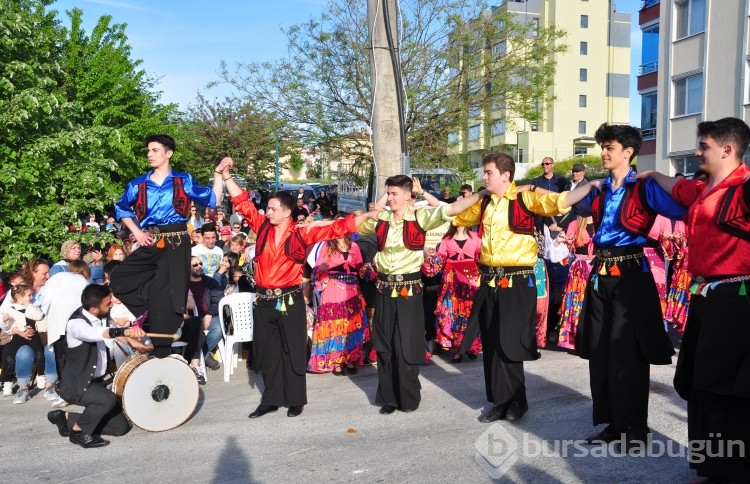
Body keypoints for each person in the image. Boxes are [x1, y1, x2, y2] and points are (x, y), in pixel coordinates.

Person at [637, 117, 750, 481]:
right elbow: (678, 188)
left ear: (727, 149)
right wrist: (653, 176)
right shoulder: (702, 189)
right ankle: (709, 461)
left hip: (737, 298)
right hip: (706, 297)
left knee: (725, 384)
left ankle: (732, 466)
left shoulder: (745, 189)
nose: (697, 151)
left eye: (704, 146)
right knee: (698, 380)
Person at [219, 159, 377, 418]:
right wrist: (226, 176)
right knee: (267, 353)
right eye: (267, 208)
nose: (267, 212)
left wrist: (366, 217)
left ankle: (295, 399)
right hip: (264, 300)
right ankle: (270, 399)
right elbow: (244, 204)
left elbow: (336, 227)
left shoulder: (301, 233)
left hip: (290, 299)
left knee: (293, 350)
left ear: (286, 212)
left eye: (271, 209)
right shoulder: (262, 229)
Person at [567, 123, 686, 447]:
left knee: (628, 352)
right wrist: (590, 183)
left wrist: (658, 176)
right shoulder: (600, 188)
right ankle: (613, 423)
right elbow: (563, 202)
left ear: (629, 152)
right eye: (602, 146)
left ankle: (636, 427)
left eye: (610, 147)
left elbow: (682, 203)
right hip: (600, 273)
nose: (604, 153)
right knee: (601, 350)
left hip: (631, 272)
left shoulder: (643, 187)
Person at [453, 152, 586, 424]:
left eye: (489, 172)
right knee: (491, 343)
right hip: (490, 280)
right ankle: (500, 401)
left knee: (510, 344)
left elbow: (559, 202)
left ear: (506, 175)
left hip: (517, 280)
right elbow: (457, 216)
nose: (484, 177)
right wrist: (479, 195)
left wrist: (592, 186)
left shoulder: (526, 198)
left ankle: (516, 399)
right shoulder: (485, 203)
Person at [357, 175, 484, 415]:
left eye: (395, 193)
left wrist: (483, 192)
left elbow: (452, 208)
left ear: (408, 196)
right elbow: (356, 222)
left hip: (408, 288)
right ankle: (388, 397)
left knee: (405, 342)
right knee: (384, 343)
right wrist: (378, 204)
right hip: (384, 287)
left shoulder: (420, 217)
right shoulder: (382, 219)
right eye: (389, 193)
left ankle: (407, 396)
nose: (390, 198)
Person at [110, 134, 229, 357]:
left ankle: (162, 351)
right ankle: (149, 309)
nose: (149, 154)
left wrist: (218, 174)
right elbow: (121, 208)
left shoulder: (183, 180)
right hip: (151, 239)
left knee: (171, 296)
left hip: (177, 241)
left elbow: (213, 199)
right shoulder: (138, 184)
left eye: (154, 150)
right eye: (148, 150)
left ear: (168, 153)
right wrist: (136, 232)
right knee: (120, 277)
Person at [50, 284, 146, 448]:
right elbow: (95, 333)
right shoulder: (76, 325)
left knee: (120, 428)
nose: (111, 305)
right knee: (106, 400)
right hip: (77, 384)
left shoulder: (103, 316)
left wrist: (139, 346)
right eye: (108, 303)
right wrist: (124, 331)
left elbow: (116, 333)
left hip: (94, 383)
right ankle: (79, 432)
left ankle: (66, 418)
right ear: (94, 309)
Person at [308, 215, 368, 375]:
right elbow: (316, 269)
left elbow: (361, 268)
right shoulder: (327, 246)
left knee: (350, 324)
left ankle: (350, 360)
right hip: (333, 289)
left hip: (352, 289)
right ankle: (336, 362)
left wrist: (371, 268)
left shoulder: (354, 246)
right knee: (335, 325)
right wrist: (321, 268)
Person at [434, 225, 482, 363]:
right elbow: (440, 261)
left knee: (470, 313)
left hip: (471, 280)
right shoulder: (447, 240)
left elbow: (481, 258)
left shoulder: (476, 238)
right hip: (451, 282)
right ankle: (456, 351)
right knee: (453, 314)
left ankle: (471, 347)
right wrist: (430, 257)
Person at [1, 283, 46, 404]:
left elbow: (39, 316)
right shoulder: (9, 310)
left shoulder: (32, 307)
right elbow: (6, 327)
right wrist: (6, 321)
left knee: (39, 353)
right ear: (20, 297)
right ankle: (7, 382)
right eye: (29, 296)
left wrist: (29, 305)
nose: (31, 297)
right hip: (17, 337)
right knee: (8, 357)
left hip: (33, 335)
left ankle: (41, 375)